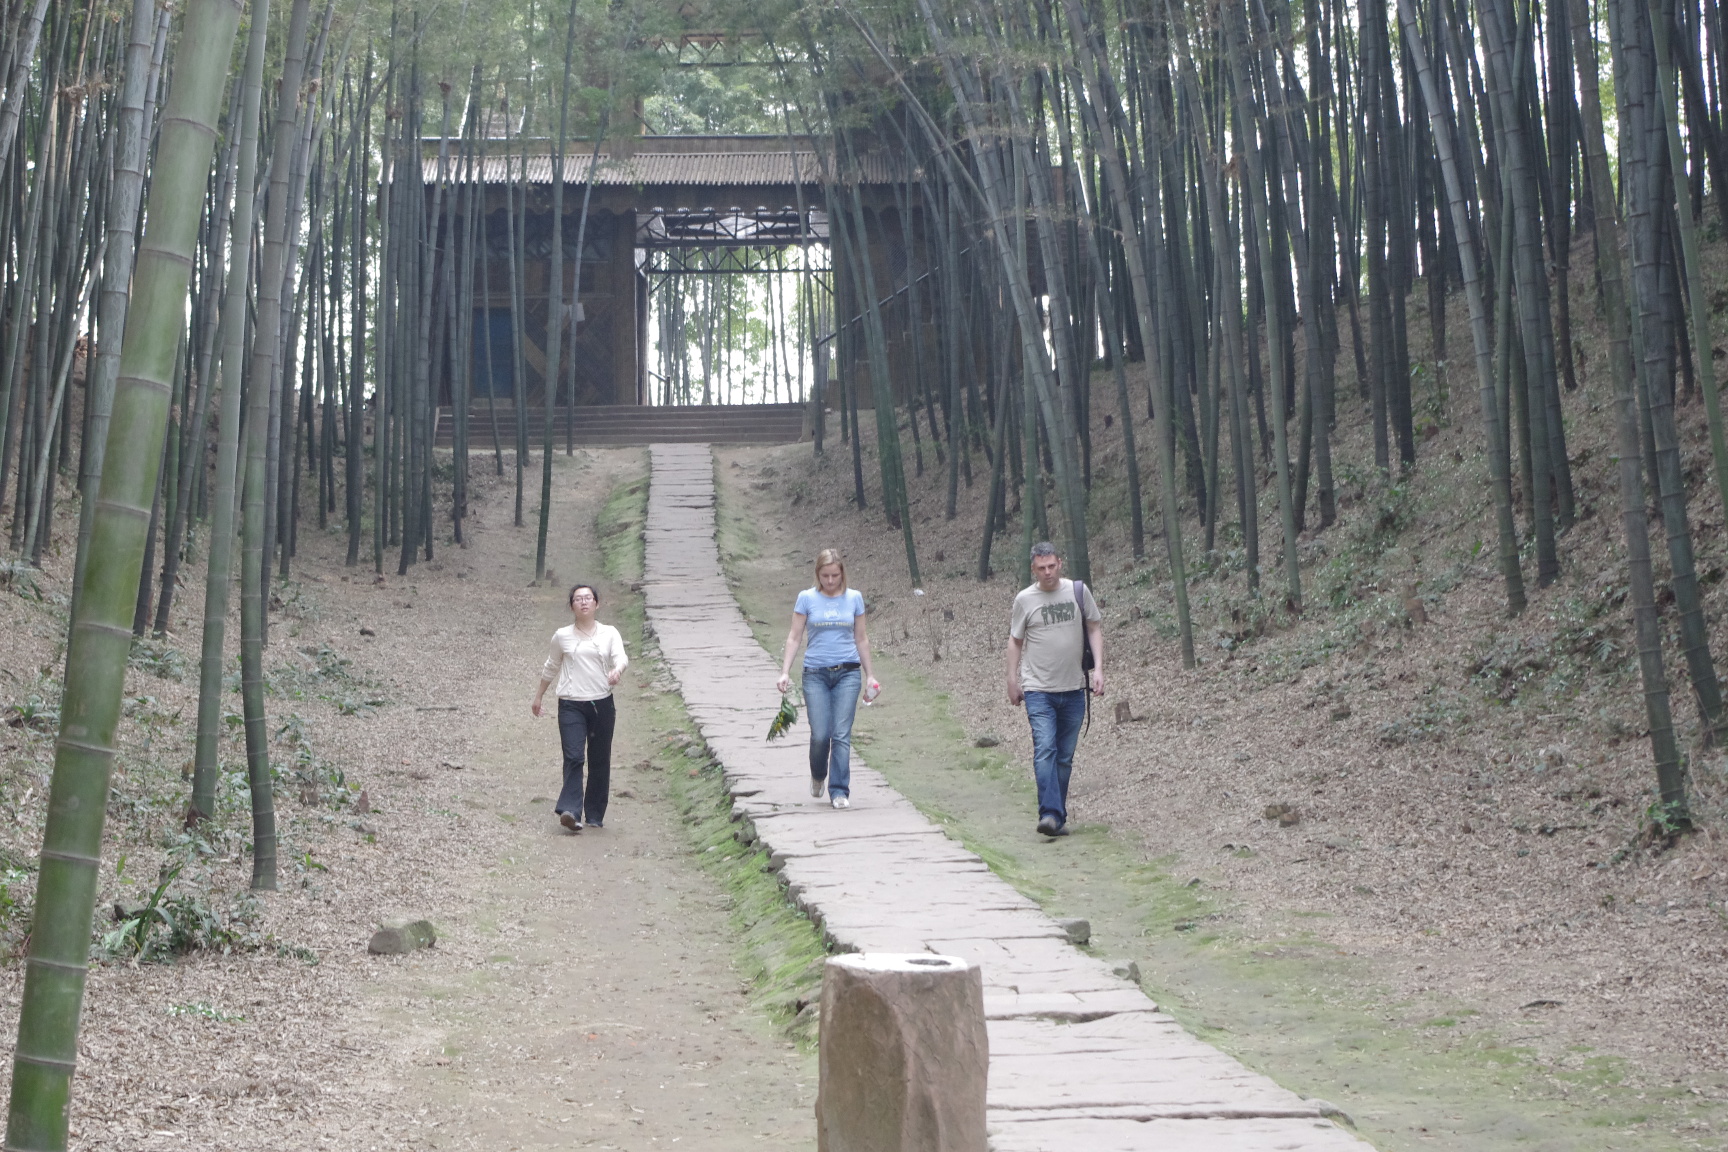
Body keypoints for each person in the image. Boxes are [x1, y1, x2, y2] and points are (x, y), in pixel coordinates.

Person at [1005, 542, 1103, 837]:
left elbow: (1094, 628)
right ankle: (1049, 813)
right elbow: (1015, 641)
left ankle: (1055, 817)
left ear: (1060, 563)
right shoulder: (1025, 599)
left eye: (1051, 566)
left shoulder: (1078, 591)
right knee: (1045, 749)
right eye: (1041, 568)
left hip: (1074, 687)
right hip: (1038, 688)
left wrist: (1098, 669)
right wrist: (1012, 679)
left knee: (1064, 756)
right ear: (1033, 569)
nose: (1047, 572)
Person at [776, 549, 879, 809]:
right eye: (825, 576)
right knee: (821, 734)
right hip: (815, 674)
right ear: (817, 575)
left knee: (841, 734)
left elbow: (861, 638)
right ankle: (818, 774)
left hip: (848, 672)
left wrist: (870, 675)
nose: (830, 581)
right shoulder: (806, 599)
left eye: (834, 575)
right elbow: (794, 637)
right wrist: (785, 671)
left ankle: (839, 790)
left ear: (842, 573)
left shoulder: (854, 598)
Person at [532, 583, 628, 832]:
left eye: (588, 598)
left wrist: (617, 670)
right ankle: (571, 812)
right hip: (570, 704)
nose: (584, 602)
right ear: (571, 606)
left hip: (602, 704)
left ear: (597, 603)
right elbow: (551, 666)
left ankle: (594, 814)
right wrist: (539, 696)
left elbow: (621, 657)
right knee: (574, 757)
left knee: (600, 759)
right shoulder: (562, 636)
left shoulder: (609, 633)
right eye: (578, 599)